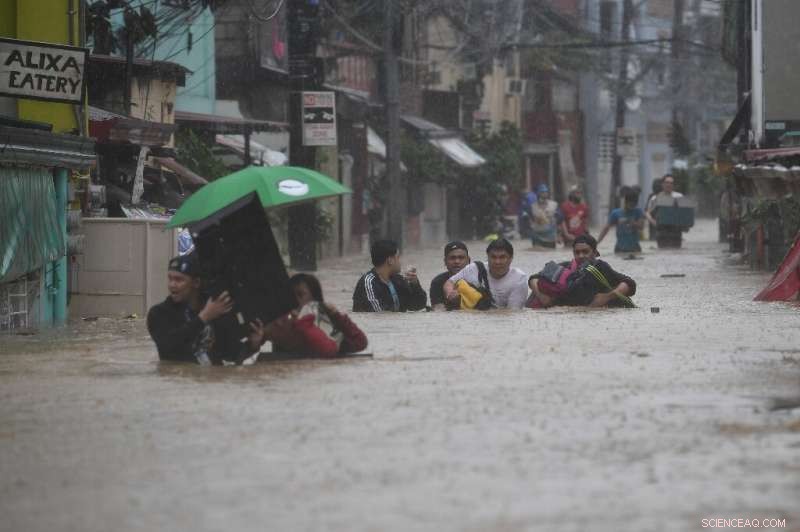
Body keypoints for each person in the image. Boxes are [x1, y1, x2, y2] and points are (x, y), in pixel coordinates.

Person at [146, 252, 266, 365]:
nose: (172, 285)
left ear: (196, 283)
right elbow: (168, 347)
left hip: (211, 381)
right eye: (170, 278)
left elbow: (230, 354)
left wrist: (252, 345)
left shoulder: (216, 310)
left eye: (179, 279)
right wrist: (204, 317)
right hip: (180, 383)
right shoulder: (158, 313)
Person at [265, 274, 368, 357]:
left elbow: (359, 343)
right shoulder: (282, 322)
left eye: (301, 294)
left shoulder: (325, 321)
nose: (295, 300)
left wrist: (337, 316)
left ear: (314, 298)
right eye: (291, 296)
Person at [528, 234, 637, 309]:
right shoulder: (565, 268)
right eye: (577, 252)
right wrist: (541, 295)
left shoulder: (601, 267)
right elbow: (534, 278)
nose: (581, 256)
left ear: (595, 253)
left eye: (585, 252)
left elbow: (629, 282)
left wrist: (607, 297)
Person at [443, 238, 528, 310]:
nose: (497, 262)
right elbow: (449, 283)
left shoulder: (519, 279)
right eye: (493, 257)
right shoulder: (474, 268)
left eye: (502, 257)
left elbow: (512, 313)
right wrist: (450, 294)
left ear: (511, 258)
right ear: (487, 257)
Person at [352, 239, 427, 312]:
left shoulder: (398, 280)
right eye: (398, 257)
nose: (400, 262)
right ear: (390, 260)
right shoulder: (368, 283)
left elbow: (418, 306)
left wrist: (415, 284)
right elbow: (378, 313)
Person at [646, 174, 684, 248]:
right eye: (667, 182)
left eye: (671, 183)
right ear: (662, 184)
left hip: (676, 232)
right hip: (662, 232)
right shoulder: (655, 198)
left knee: (677, 254)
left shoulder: (679, 197)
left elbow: (685, 213)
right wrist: (653, 222)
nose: (669, 185)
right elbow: (648, 212)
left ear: (673, 185)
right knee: (663, 252)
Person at [430, 241, 470, 311]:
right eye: (452, 258)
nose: (457, 261)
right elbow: (438, 309)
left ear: (468, 260)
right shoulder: (437, 282)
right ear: (445, 261)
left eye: (461, 258)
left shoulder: (478, 279)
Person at [530, 183, 560, 248]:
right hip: (537, 236)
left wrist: (559, 235)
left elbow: (559, 220)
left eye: (546, 192)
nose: (544, 194)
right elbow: (529, 220)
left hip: (550, 236)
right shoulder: (533, 206)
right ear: (538, 194)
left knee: (550, 254)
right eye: (542, 192)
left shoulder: (554, 205)